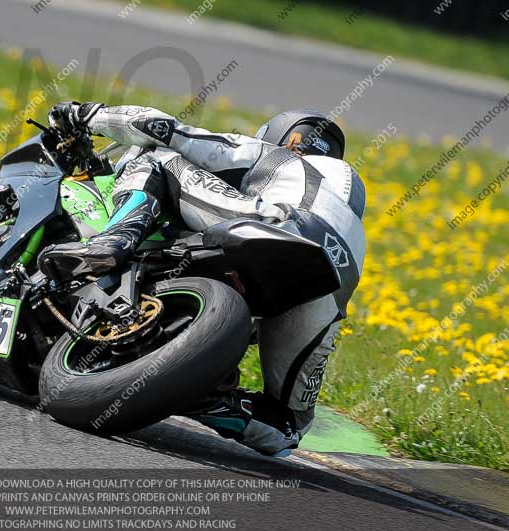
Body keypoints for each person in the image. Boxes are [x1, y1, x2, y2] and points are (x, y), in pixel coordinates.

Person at [38, 102, 366, 457]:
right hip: (333, 283)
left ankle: (113, 240)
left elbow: (161, 127)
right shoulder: (349, 208)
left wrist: (83, 115)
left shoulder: (275, 156)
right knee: (287, 423)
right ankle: (212, 402)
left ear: (282, 139)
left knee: (158, 157)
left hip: (283, 223)